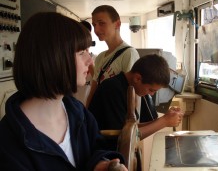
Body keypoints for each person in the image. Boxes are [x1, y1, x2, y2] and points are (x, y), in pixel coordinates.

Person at [0, 12, 127, 171]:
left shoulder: (77, 111)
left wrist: (101, 163)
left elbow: (97, 148)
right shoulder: (8, 144)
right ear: (53, 59)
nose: (89, 60)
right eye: (81, 53)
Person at [89, 54, 184, 150]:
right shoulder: (112, 89)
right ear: (137, 78)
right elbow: (124, 137)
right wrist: (164, 121)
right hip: (100, 154)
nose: (151, 95)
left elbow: (130, 128)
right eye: (151, 90)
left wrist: (165, 118)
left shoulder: (125, 87)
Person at [85, 5, 140, 108]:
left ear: (117, 24)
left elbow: (133, 95)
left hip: (118, 117)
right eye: (94, 25)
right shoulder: (101, 57)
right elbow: (93, 90)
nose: (96, 29)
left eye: (101, 23)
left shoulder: (129, 53)